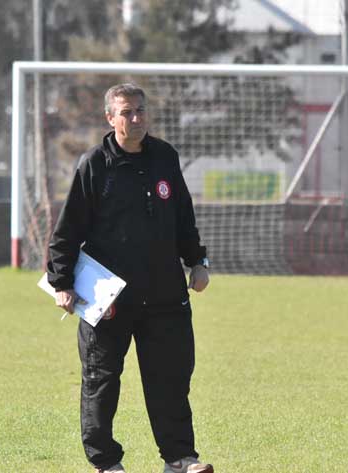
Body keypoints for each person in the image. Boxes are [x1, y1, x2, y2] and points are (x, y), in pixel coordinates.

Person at [47, 83, 213, 473]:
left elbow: (183, 217)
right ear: (110, 117)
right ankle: (107, 464)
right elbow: (68, 228)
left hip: (165, 293)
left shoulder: (165, 157)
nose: (135, 119)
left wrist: (197, 261)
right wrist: (61, 282)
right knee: (102, 382)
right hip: (109, 298)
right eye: (126, 113)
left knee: (171, 380)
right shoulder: (94, 165)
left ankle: (179, 459)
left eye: (140, 111)